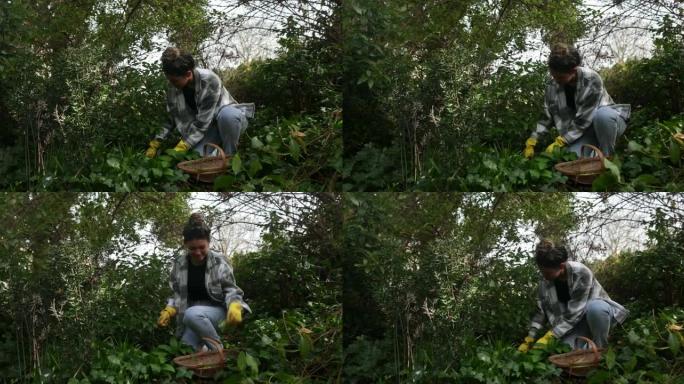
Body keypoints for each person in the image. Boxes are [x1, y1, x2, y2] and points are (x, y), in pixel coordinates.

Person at [156, 213, 251, 351]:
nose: (198, 252)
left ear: (208, 243)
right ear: (185, 245)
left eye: (202, 247)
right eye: (192, 248)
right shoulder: (179, 264)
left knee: (192, 313)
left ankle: (218, 351)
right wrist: (170, 309)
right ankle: (209, 359)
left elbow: (231, 289)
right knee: (186, 349)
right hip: (193, 316)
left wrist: (235, 305)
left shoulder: (219, 261)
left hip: (219, 313)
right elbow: (177, 293)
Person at [518, 239, 628, 352]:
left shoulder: (581, 273)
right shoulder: (544, 281)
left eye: (547, 273)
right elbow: (541, 311)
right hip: (575, 324)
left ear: (561, 266)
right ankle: (587, 349)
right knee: (566, 349)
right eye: (542, 272)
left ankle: (601, 348)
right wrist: (530, 338)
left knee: (596, 308)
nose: (544, 276)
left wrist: (549, 336)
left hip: (595, 315)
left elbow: (574, 314)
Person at [523, 43, 631, 159]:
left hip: (608, 122)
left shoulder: (591, 79)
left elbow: (583, 120)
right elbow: (546, 116)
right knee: (571, 157)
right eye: (553, 75)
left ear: (573, 70)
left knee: (602, 115)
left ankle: (607, 159)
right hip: (583, 131)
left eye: (560, 77)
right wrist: (533, 139)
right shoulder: (552, 84)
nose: (555, 80)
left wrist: (562, 140)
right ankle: (592, 161)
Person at [145, 47, 249, 158]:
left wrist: (183, 146)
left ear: (188, 74)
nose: (171, 84)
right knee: (196, 156)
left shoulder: (209, 80)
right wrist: (155, 143)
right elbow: (170, 118)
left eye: (174, 80)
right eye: (169, 80)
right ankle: (218, 152)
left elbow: (201, 124)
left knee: (228, 115)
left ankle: (230, 156)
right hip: (209, 129)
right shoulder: (173, 88)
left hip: (228, 121)